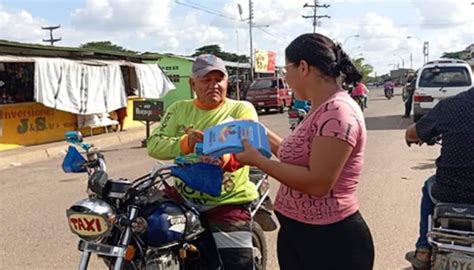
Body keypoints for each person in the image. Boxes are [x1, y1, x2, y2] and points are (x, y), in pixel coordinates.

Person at [235, 33, 374, 270]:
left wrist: (257, 160)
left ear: (303, 67)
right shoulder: (319, 108)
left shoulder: (337, 112)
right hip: (302, 234)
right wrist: (260, 133)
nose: (285, 77)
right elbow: (296, 156)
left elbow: (318, 183)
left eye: (284, 69)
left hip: (330, 242)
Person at [147, 54, 259, 269]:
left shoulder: (241, 109)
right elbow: (154, 145)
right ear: (193, 84)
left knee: (239, 265)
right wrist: (186, 142)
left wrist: (223, 157)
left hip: (228, 201)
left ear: (227, 82)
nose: (214, 85)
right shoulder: (179, 109)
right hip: (184, 200)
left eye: (219, 79)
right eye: (206, 80)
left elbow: (248, 146)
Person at [404, 86, 474, 268]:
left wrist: (418, 135)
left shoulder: (454, 105)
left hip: (448, 192)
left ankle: (423, 251)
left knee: (429, 185)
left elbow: (412, 133)